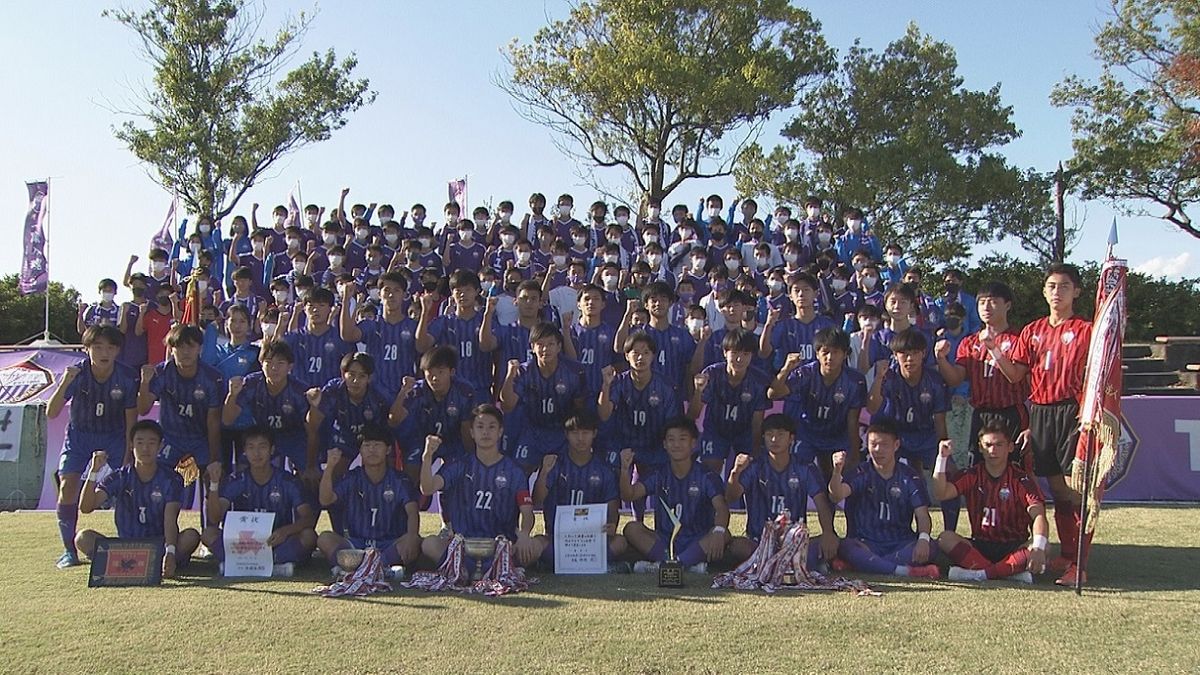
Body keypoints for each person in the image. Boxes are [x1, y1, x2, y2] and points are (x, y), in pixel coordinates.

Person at [996, 263, 1093, 585]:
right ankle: (1067, 554)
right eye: (1051, 286)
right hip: (1040, 412)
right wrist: (995, 350)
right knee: (1054, 488)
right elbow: (1015, 376)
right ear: (1044, 290)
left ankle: (1079, 562)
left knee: (1074, 487)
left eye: (1064, 286)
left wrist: (1088, 414)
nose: (1057, 292)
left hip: (1072, 411)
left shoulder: (1086, 330)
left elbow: (1100, 374)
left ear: (1076, 291)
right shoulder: (1032, 330)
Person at [46, 326, 140, 569]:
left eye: (110, 347)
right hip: (80, 435)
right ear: (86, 349)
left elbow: (132, 417)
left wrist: (130, 450)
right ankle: (69, 551)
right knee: (67, 486)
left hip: (114, 436)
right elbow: (52, 412)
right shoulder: (77, 374)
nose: (104, 352)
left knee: (128, 485)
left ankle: (129, 541)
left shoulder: (128, 377)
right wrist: (65, 380)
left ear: (118, 350)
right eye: (97, 347)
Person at [420, 405, 544, 568]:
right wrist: (427, 456)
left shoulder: (514, 470)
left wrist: (524, 534)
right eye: (480, 427)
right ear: (472, 432)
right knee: (429, 543)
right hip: (463, 546)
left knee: (536, 545)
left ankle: (486, 567)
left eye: (491, 427)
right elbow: (427, 488)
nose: (486, 432)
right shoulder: (458, 465)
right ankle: (462, 568)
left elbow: (527, 512)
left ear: (500, 432)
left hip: (502, 545)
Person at [75, 420, 201, 578]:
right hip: (126, 546)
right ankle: (137, 563)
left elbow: (170, 519)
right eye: (140, 442)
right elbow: (86, 507)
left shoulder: (171, 479)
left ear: (160, 446)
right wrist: (93, 472)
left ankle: (157, 562)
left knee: (191, 536)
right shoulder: (120, 476)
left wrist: (170, 551)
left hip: (158, 546)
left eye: (151, 443)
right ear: (131, 445)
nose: (145, 448)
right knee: (83, 538)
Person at [932, 426, 1049, 584]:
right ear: (980, 447)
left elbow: (1039, 515)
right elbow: (941, 493)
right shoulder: (972, 475)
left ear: (1010, 447)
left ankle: (980, 574)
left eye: (999, 445)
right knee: (944, 538)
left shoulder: (1021, 479)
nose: (993, 450)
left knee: (1044, 546)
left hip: (1013, 545)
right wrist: (942, 459)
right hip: (980, 545)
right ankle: (1008, 573)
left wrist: (1038, 547)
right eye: (987, 445)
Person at [828, 420, 940, 579]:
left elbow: (922, 515)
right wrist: (836, 472)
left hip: (900, 543)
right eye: (873, 444)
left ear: (896, 445)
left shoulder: (910, 476)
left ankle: (867, 564)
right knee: (846, 547)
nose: (878, 450)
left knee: (931, 546)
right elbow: (836, 495)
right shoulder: (861, 472)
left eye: (884, 445)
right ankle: (903, 570)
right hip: (866, 543)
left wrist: (923, 539)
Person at [725, 414, 839, 569]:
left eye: (780, 435)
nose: (774, 440)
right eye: (770, 435)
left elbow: (821, 503)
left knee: (833, 542)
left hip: (794, 542)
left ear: (791, 438)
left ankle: (768, 565)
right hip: (759, 541)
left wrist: (827, 532)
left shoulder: (805, 467)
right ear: (763, 437)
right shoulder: (754, 466)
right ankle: (794, 565)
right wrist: (735, 473)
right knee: (737, 546)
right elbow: (731, 496)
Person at [202, 427, 318, 577]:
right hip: (243, 543)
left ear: (272, 450)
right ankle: (268, 566)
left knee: (309, 536)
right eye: (251, 447)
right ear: (244, 451)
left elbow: (308, 518)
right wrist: (214, 485)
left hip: (276, 541)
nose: (256, 453)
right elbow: (214, 517)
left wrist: (285, 531)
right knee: (208, 534)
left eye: (262, 447)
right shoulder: (236, 480)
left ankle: (246, 564)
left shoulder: (287, 480)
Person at [620, 417, 730, 574]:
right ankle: (684, 565)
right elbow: (629, 495)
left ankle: (672, 565)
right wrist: (624, 470)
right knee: (631, 528)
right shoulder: (659, 473)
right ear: (664, 444)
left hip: (697, 539)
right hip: (664, 540)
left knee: (723, 533)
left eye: (682, 439)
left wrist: (719, 529)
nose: (676, 444)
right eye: (671, 439)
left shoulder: (706, 476)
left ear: (693, 443)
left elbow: (721, 507)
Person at [935, 282, 1029, 464]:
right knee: (978, 468)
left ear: (1007, 305)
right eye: (981, 302)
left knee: (1014, 470)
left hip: (1011, 412)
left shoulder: (1019, 339)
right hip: (981, 414)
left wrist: (994, 349)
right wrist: (940, 359)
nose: (986, 307)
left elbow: (1015, 376)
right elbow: (955, 379)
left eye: (993, 302)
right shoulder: (969, 343)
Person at [317, 425, 423, 574]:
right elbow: (325, 500)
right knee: (324, 538)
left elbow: (412, 511)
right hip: (356, 544)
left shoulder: (400, 480)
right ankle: (369, 568)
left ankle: (366, 568)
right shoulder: (352, 478)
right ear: (360, 451)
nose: (371, 450)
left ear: (388, 450)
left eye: (377, 445)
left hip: (389, 543)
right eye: (367, 445)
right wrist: (329, 468)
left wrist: (412, 535)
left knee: (415, 540)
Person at [531, 412, 628, 571]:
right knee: (536, 543)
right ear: (566, 435)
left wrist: (611, 525)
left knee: (620, 542)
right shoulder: (556, 464)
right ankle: (596, 564)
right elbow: (537, 500)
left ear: (594, 434)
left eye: (585, 433)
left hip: (592, 539)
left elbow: (612, 509)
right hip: (559, 538)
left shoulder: (604, 470)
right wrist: (543, 474)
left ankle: (558, 564)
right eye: (575, 433)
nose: (580, 438)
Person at [768, 327, 866, 478]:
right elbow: (773, 394)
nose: (830, 357)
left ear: (845, 354)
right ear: (817, 354)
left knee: (844, 474)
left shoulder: (855, 380)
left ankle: (831, 500)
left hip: (838, 435)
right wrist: (786, 369)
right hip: (808, 433)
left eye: (836, 352)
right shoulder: (805, 373)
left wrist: (854, 453)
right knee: (795, 471)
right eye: (825, 352)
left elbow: (853, 420)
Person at [138, 324, 224, 485]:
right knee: (157, 480)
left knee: (212, 481)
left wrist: (214, 457)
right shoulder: (162, 373)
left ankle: (209, 508)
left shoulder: (213, 378)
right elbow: (143, 410)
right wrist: (144, 383)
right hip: (170, 437)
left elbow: (213, 421)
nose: (185, 352)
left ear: (199, 348)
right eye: (180, 347)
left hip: (201, 438)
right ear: (171, 349)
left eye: (191, 346)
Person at [498, 323, 588, 473]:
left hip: (562, 432)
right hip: (532, 431)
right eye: (540, 344)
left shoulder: (574, 371)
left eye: (551, 344)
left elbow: (580, 406)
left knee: (566, 474)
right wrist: (509, 375)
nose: (545, 349)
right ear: (532, 347)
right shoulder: (523, 371)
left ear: (559, 346)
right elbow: (507, 406)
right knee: (518, 470)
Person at [687, 330, 770, 475]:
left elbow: (757, 425)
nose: (739, 359)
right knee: (710, 473)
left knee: (744, 475)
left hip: (745, 433)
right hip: (715, 431)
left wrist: (755, 453)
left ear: (751, 356)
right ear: (725, 352)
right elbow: (693, 414)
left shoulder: (758, 380)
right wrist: (698, 392)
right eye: (735, 353)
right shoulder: (711, 374)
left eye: (745, 354)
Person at [597, 334, 682, 474]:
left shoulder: (665, 387)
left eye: (646, 353)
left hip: (654, 447)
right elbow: (604, 415)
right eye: (635, 353)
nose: (640, 358)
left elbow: (672, 425)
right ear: (626, 356)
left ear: (653, 356)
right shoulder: (618, 382)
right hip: (622, 444)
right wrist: (605, 386)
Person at [222, 341, 310, 474]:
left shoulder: (299, 390)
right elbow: (227, 420)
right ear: (261, 364)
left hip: (294, 437)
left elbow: (312, 430)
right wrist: (232, 395)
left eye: (280, 363)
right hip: (263, 435)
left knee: (307, 474)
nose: (274, 368)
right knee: (243, 467)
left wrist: (311, 464)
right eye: (269, 362)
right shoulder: (252, 383)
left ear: (290, 367)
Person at [338, 272, 418, 400]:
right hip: (374, 396)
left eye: (396, 290)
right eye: (386, 290)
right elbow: (347, 335)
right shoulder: (371, 325)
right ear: (379, 294)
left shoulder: (414, 326)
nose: (391, 295)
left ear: (404, 295)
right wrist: (346, 300)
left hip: (404, 394)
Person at [616, 281, 697, 394]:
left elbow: (691, 369)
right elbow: (619, 348)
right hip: (642, 396)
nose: (658, 303)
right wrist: (628, 314)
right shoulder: (638, 334)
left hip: (675, 397)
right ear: (646, 305)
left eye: (663, 299)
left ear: (670, 303)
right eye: (653, 300)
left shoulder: (682, 335)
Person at [415, 270, 490, 392]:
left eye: (467, 290)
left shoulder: (485, 320)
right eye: (458, 291)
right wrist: (424, 313)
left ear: (477, 291)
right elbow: (421, 346)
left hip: (480, 388)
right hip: (450, 390)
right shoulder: (443, 322)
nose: (462, 295)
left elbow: (490, 348)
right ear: (452, 293)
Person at [276, 287, 352, 391]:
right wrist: (280, 326)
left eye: (321, 305)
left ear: (330, 308)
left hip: (331, 395)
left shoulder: (340, 338)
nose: (315, 310)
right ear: (304, 308)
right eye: (311, 305)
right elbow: (274, 353)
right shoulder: (295, 337)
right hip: (299, 395)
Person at [759, 273, 836, 371]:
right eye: (796, 290)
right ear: (790, 296)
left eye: (806, 290)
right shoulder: (784, 325)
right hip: (791, 381)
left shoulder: (827, 325)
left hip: (820, 381)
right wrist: (768, 325)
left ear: (816, 294)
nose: (801, 294)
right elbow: (764, 353)